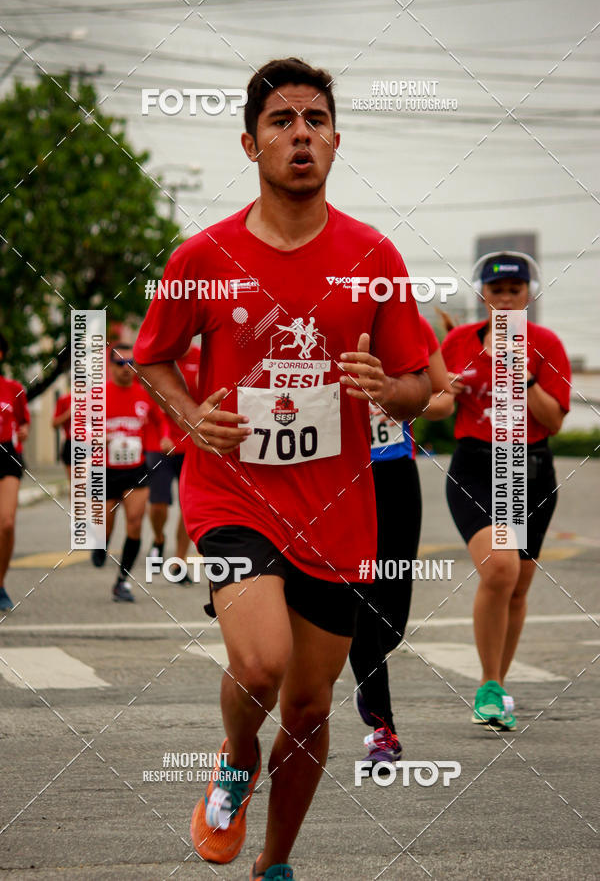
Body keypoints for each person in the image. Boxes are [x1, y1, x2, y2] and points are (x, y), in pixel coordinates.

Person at [133, 57, 430, 881]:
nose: (299, 133)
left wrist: (388, 390)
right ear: (250, 142)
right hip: (233, 491)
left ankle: (274, 862)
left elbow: (419, 387)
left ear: (336, 140)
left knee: (306, 704)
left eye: (314, 119)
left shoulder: (374, 256)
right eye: (280, 121)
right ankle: (235, 755)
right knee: (259, 665)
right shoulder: (203, 255)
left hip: (338, 508)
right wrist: (197, 420)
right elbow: (151, 358)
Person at [442, 252, 571, 731]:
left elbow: (554, 419)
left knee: (516, 586)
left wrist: (525, 370)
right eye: (496, 291)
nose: (505, 298)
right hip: (476, 466)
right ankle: (488, 686)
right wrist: (445, 391)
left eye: (514, 290)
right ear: (483, 294)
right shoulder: (458, 342)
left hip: (528, 468)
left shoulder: (545, 344)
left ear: (528, 294)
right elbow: (434, 406)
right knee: (500, 566)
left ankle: (496, 683)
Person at [350, 314, 454, 765]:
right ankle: (382, 726)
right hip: (339, 473)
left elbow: (444, 400)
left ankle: (362, 668)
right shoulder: (323, 318)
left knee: (391, 616)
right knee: (359, 598)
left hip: (394, 470)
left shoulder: (413, 327)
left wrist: (396, 395)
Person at [92, 344, 169, 603]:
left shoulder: (143, 394)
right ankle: (99, 544)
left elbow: (160, 420)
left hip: (135, 469)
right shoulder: (98, 395)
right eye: (120, 364)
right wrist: (98, 438)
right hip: (105, 470)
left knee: (135, 522)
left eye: (130, 364)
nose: (126, 369)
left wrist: (166, 438)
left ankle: (122, 581)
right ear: (111, 365)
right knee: (104, 526)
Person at [146, 343, 200, 582]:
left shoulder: (203, 357)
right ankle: (158, 538)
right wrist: (164, 434)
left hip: (193, 445)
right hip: (162, 444)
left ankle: (179, 562)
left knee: (188, 507)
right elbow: (152, 403)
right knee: (158, 506)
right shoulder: (159, 355)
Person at [0, 333, 30, 613]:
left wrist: (24, 431)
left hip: (6, 455)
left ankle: (0, 583)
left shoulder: (12, 388)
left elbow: (24, 423)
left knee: (6, 523)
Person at [52, 391, 72, 480]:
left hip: (89, 444)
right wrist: (69, 413)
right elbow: (54, 424)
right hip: (71, 443)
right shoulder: (64, 400)